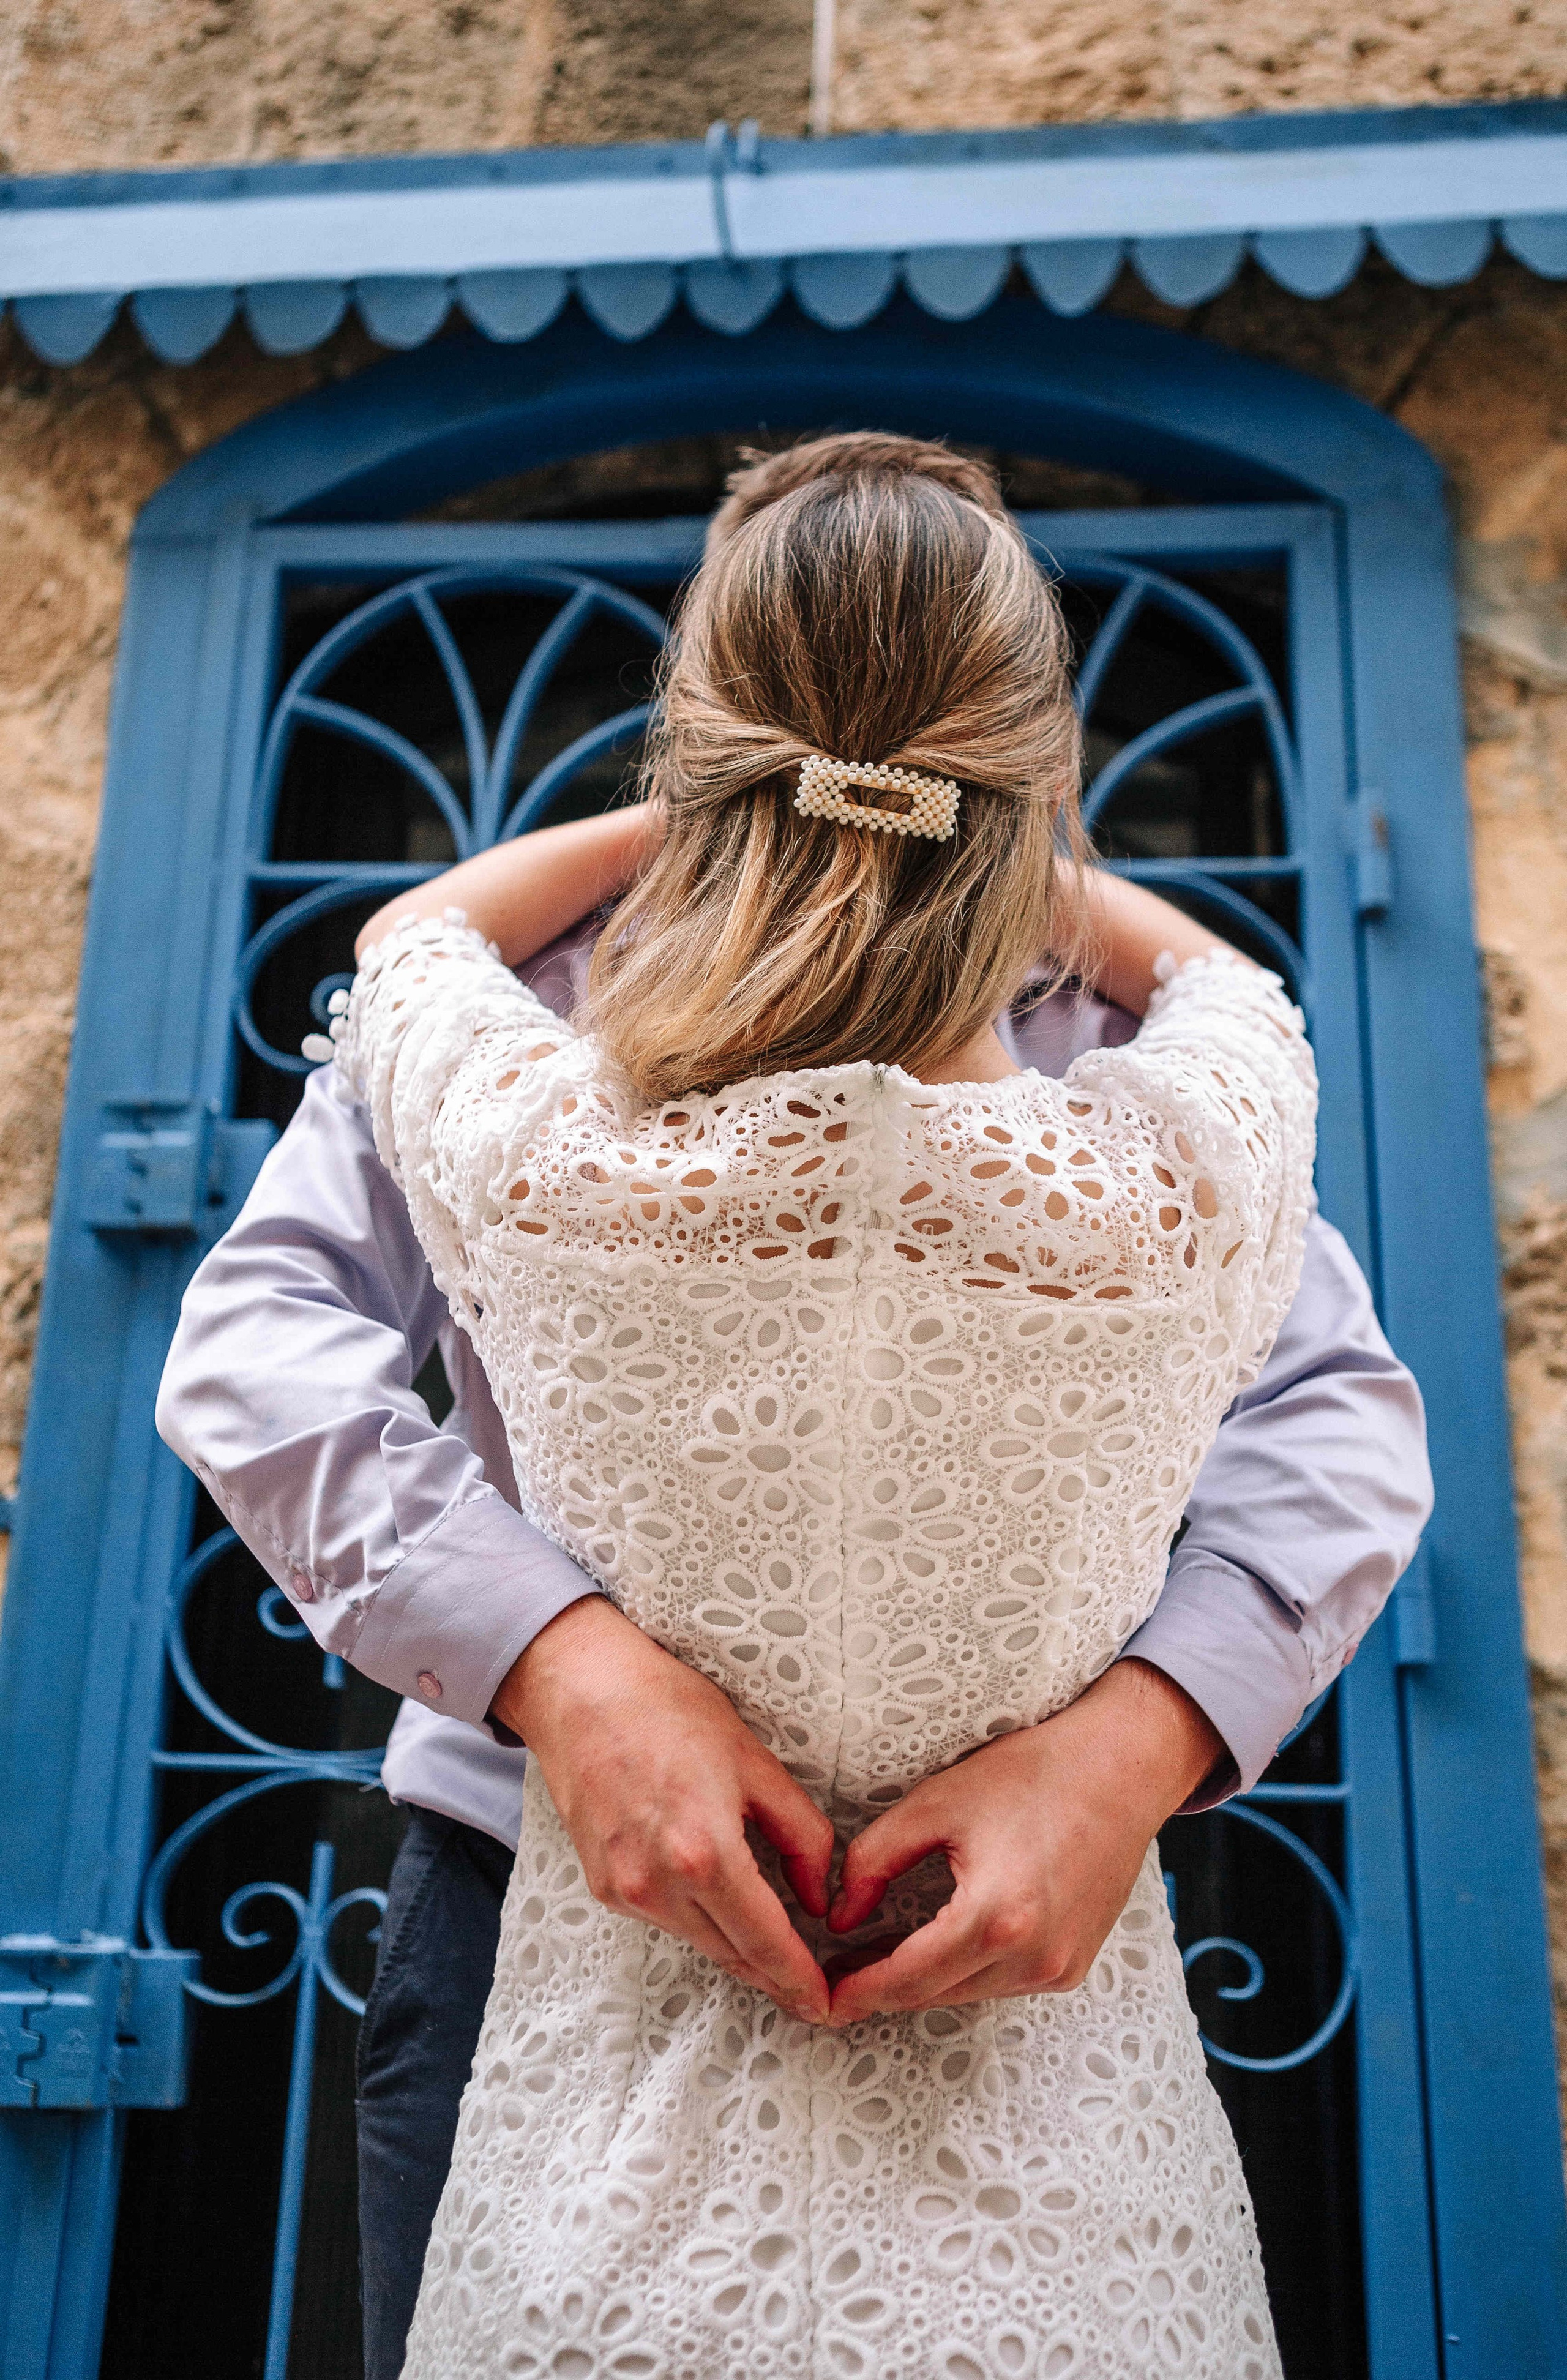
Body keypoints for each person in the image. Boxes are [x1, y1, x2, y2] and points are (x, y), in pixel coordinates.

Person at [157, 436, 1432, 2380]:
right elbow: (264, 1347)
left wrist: (1146, 1743)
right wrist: (556, 1666)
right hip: (523, 1882)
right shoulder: (1179, 1086)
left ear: (696, 705)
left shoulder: (493, 1039)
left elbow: (1333, 1415)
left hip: (1034, 1931)